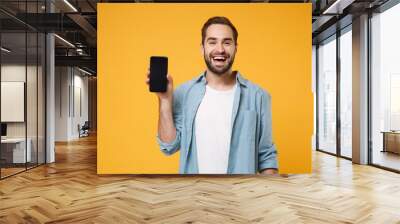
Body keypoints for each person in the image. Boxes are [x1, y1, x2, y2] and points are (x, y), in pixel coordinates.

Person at [146, 16, 278, 174]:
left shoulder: (258, 96)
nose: (220, 49)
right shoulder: (184, 93)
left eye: (227, 42)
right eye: (212, 42)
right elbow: (169, 146)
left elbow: (266, 157)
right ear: (202, 48)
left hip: (240, 194)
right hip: (195, 194)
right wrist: (165, 100)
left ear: (236, 47)